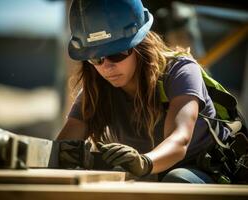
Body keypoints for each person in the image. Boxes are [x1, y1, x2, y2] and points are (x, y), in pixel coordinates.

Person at [57, 0, 231, 183]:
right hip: (148, 175)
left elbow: (179, 140)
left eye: (116, 53)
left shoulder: (181, 72)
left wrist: (144, 163)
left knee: (177, 180)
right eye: (96, 58)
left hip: (201, 170)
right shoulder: (96, 89)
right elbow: (64, 145)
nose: (107, 67)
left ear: (140, 43)